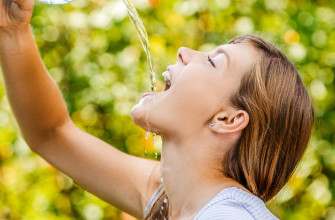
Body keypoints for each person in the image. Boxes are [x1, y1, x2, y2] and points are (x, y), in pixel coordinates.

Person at [0, 0, 314, 219]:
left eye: (212, 61)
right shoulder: (172, 200)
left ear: (227, 119)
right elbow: (51, 134)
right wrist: (12, 29)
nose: (184, 52)